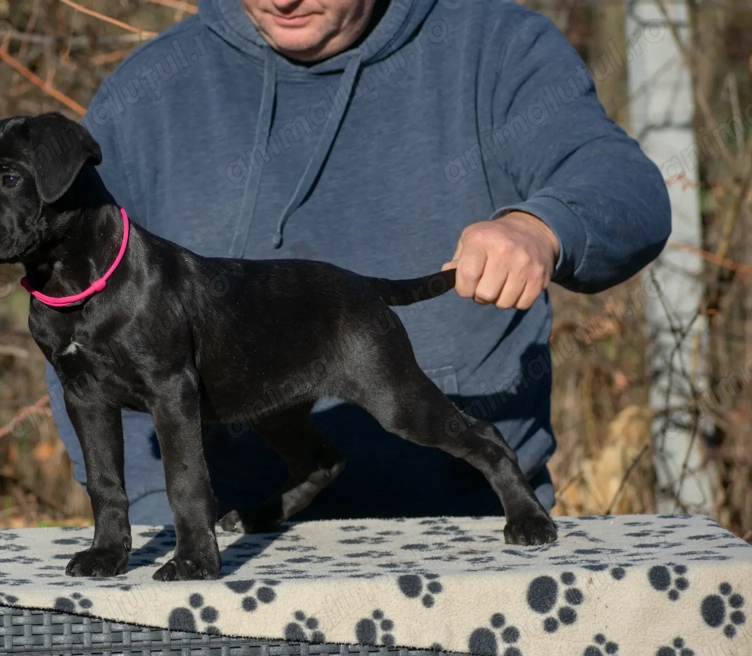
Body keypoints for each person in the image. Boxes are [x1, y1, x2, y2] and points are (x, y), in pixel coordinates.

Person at [44, 0, 671, 525]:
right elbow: (74, 315)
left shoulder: (493, 47)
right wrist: (161, 514)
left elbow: (625, 189)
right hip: (236, 546)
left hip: (462, 532)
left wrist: (540, 226)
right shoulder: (148, 95)